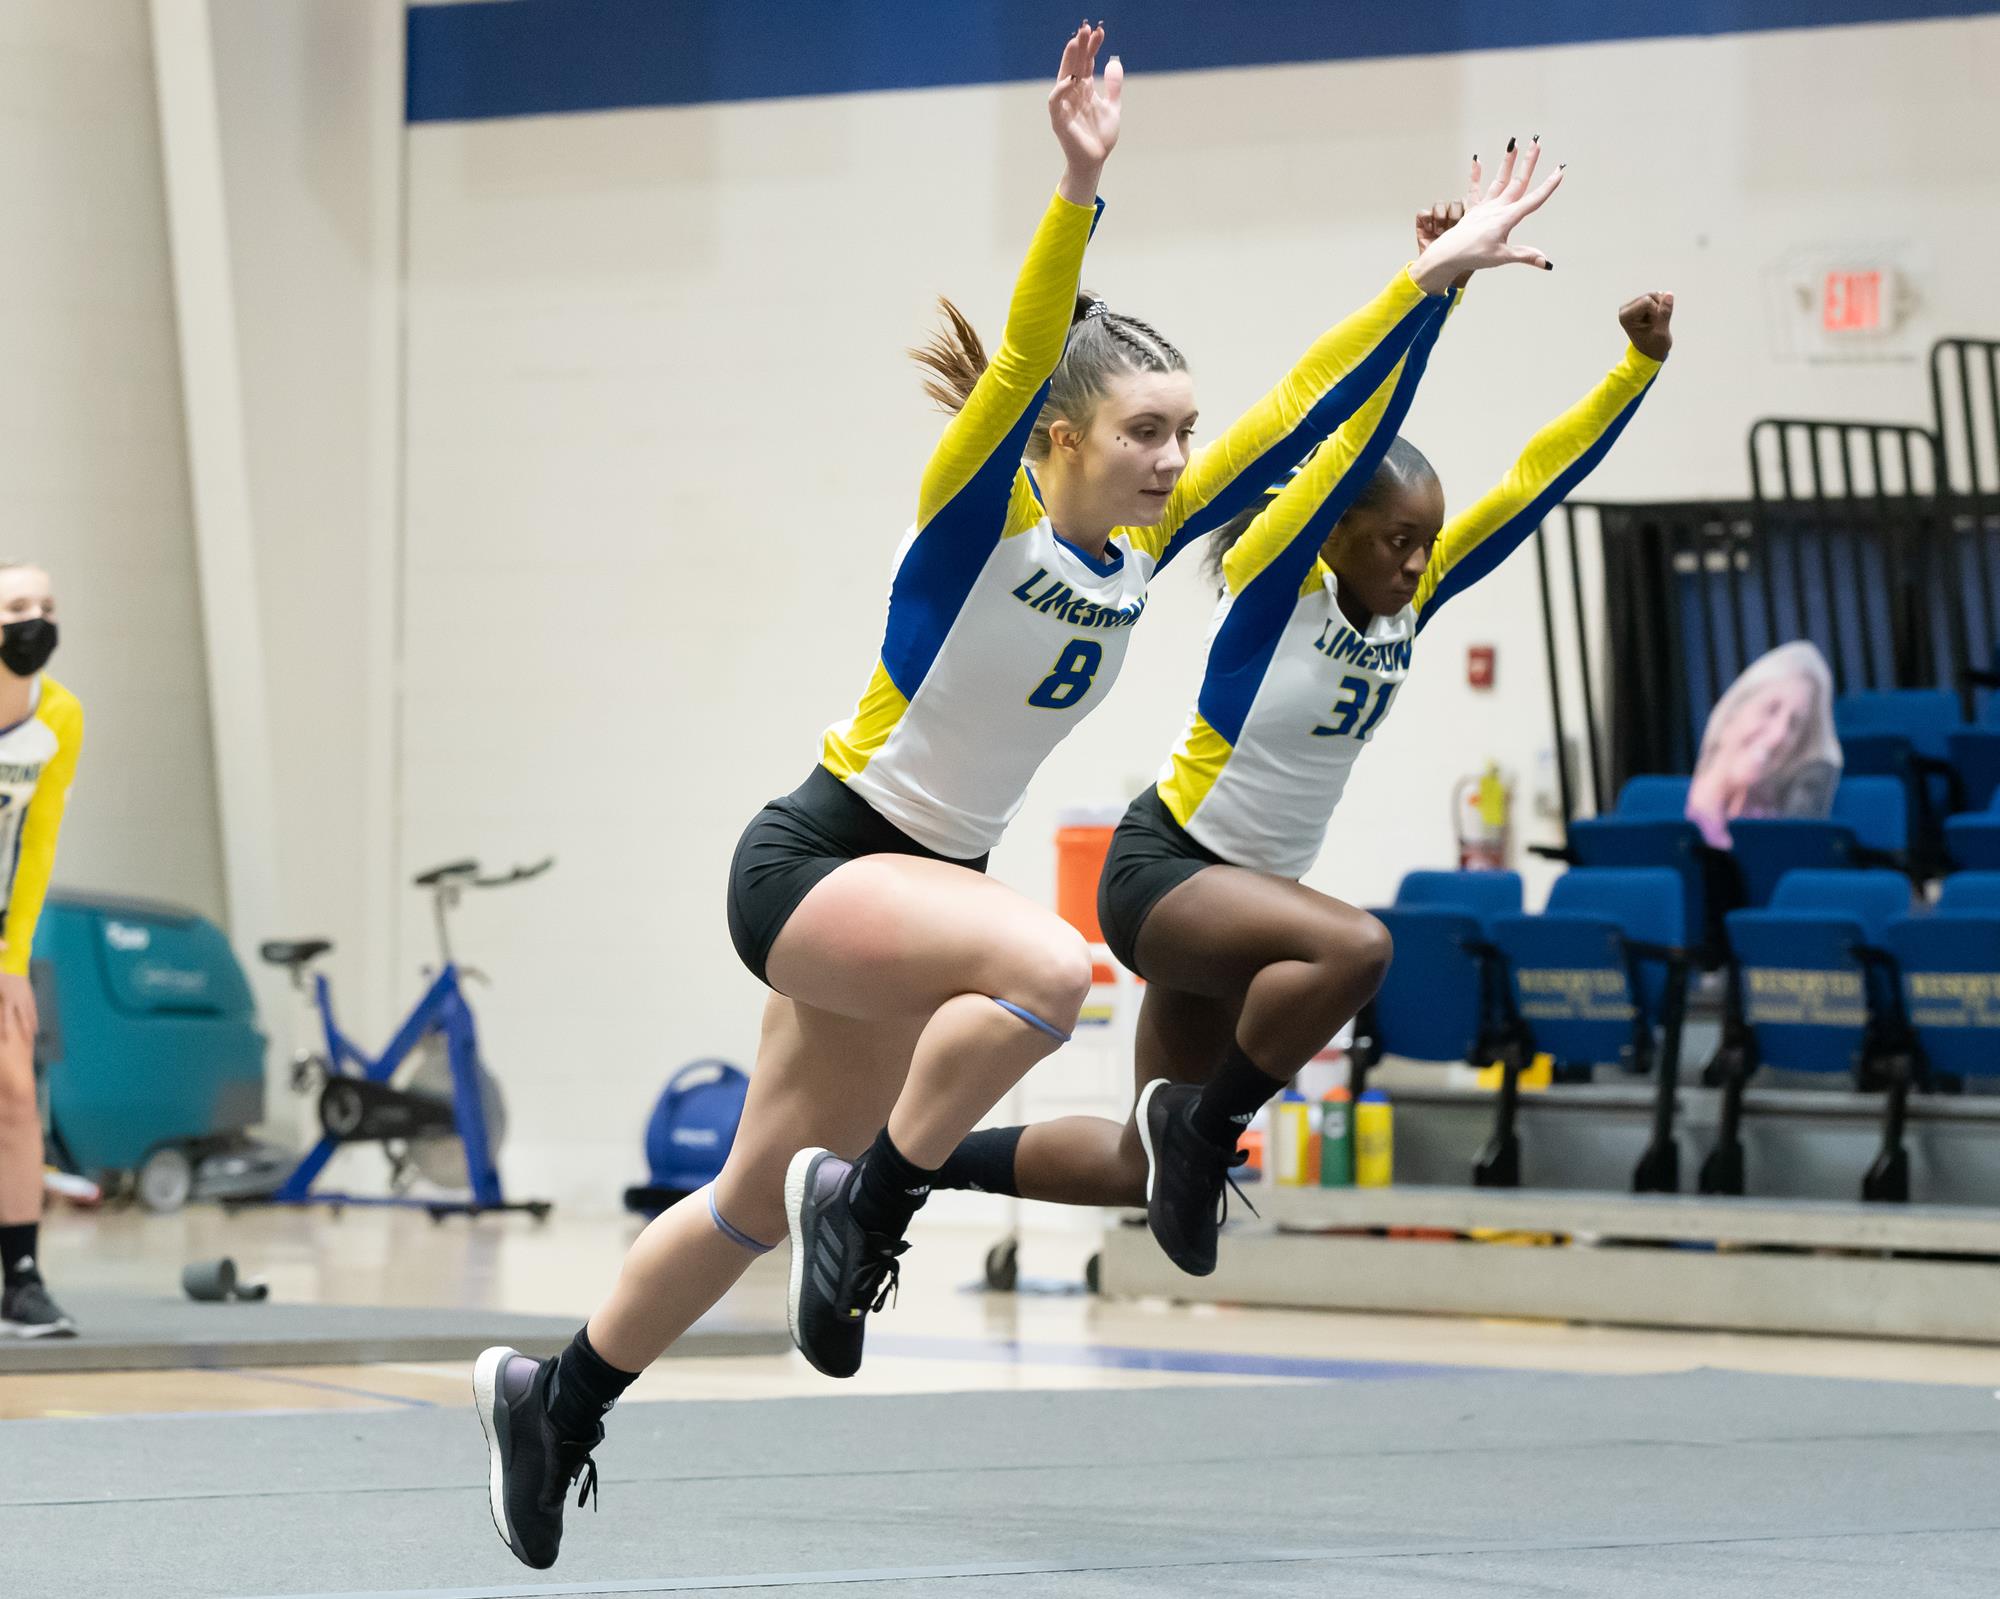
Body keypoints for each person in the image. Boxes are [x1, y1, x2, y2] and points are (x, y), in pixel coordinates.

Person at [473, 26, 1556, 1570]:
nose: (1178, 459)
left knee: (746, 1204)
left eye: (1185, 432)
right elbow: (1028, 352)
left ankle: (558, 1393)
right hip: (822, 857)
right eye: (1144, 432)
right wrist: (1077, 188)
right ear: (1053, 438)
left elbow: (1316, 409)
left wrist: (1428, 286)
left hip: (924, 893)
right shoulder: (973, 522)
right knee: (1052, 965)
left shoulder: (1138, 556)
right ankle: (883, 1199)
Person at [934, 195, 1672, 1276]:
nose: (1415, 563)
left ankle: (900, 1167)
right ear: (1330, 531)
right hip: (1169, 873)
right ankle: (1206, 1128)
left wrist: (1633, 368)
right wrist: (1438, 293)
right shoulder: (1274, 585)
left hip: (1241, 909)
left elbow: (1531, 484)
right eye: (1393, 541)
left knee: (1143, 1167)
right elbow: (1349, 432)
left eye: (1425, 543)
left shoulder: (1413, 601)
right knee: (1356, 947)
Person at [0, 563, 83, 1337]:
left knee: (17, 1093)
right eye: (18, 606)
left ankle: (20, 1277)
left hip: (0, 929)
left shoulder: (60, 715)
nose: (36, 619)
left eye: (46, 607)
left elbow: (38, 841)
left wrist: (13, 959)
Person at [1684, 640, 1840, 848]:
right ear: (1731, 713)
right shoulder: (1677, 826)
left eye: (1794, 725)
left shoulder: (1779, 834)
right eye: (1770, 710)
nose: (1778, 736)